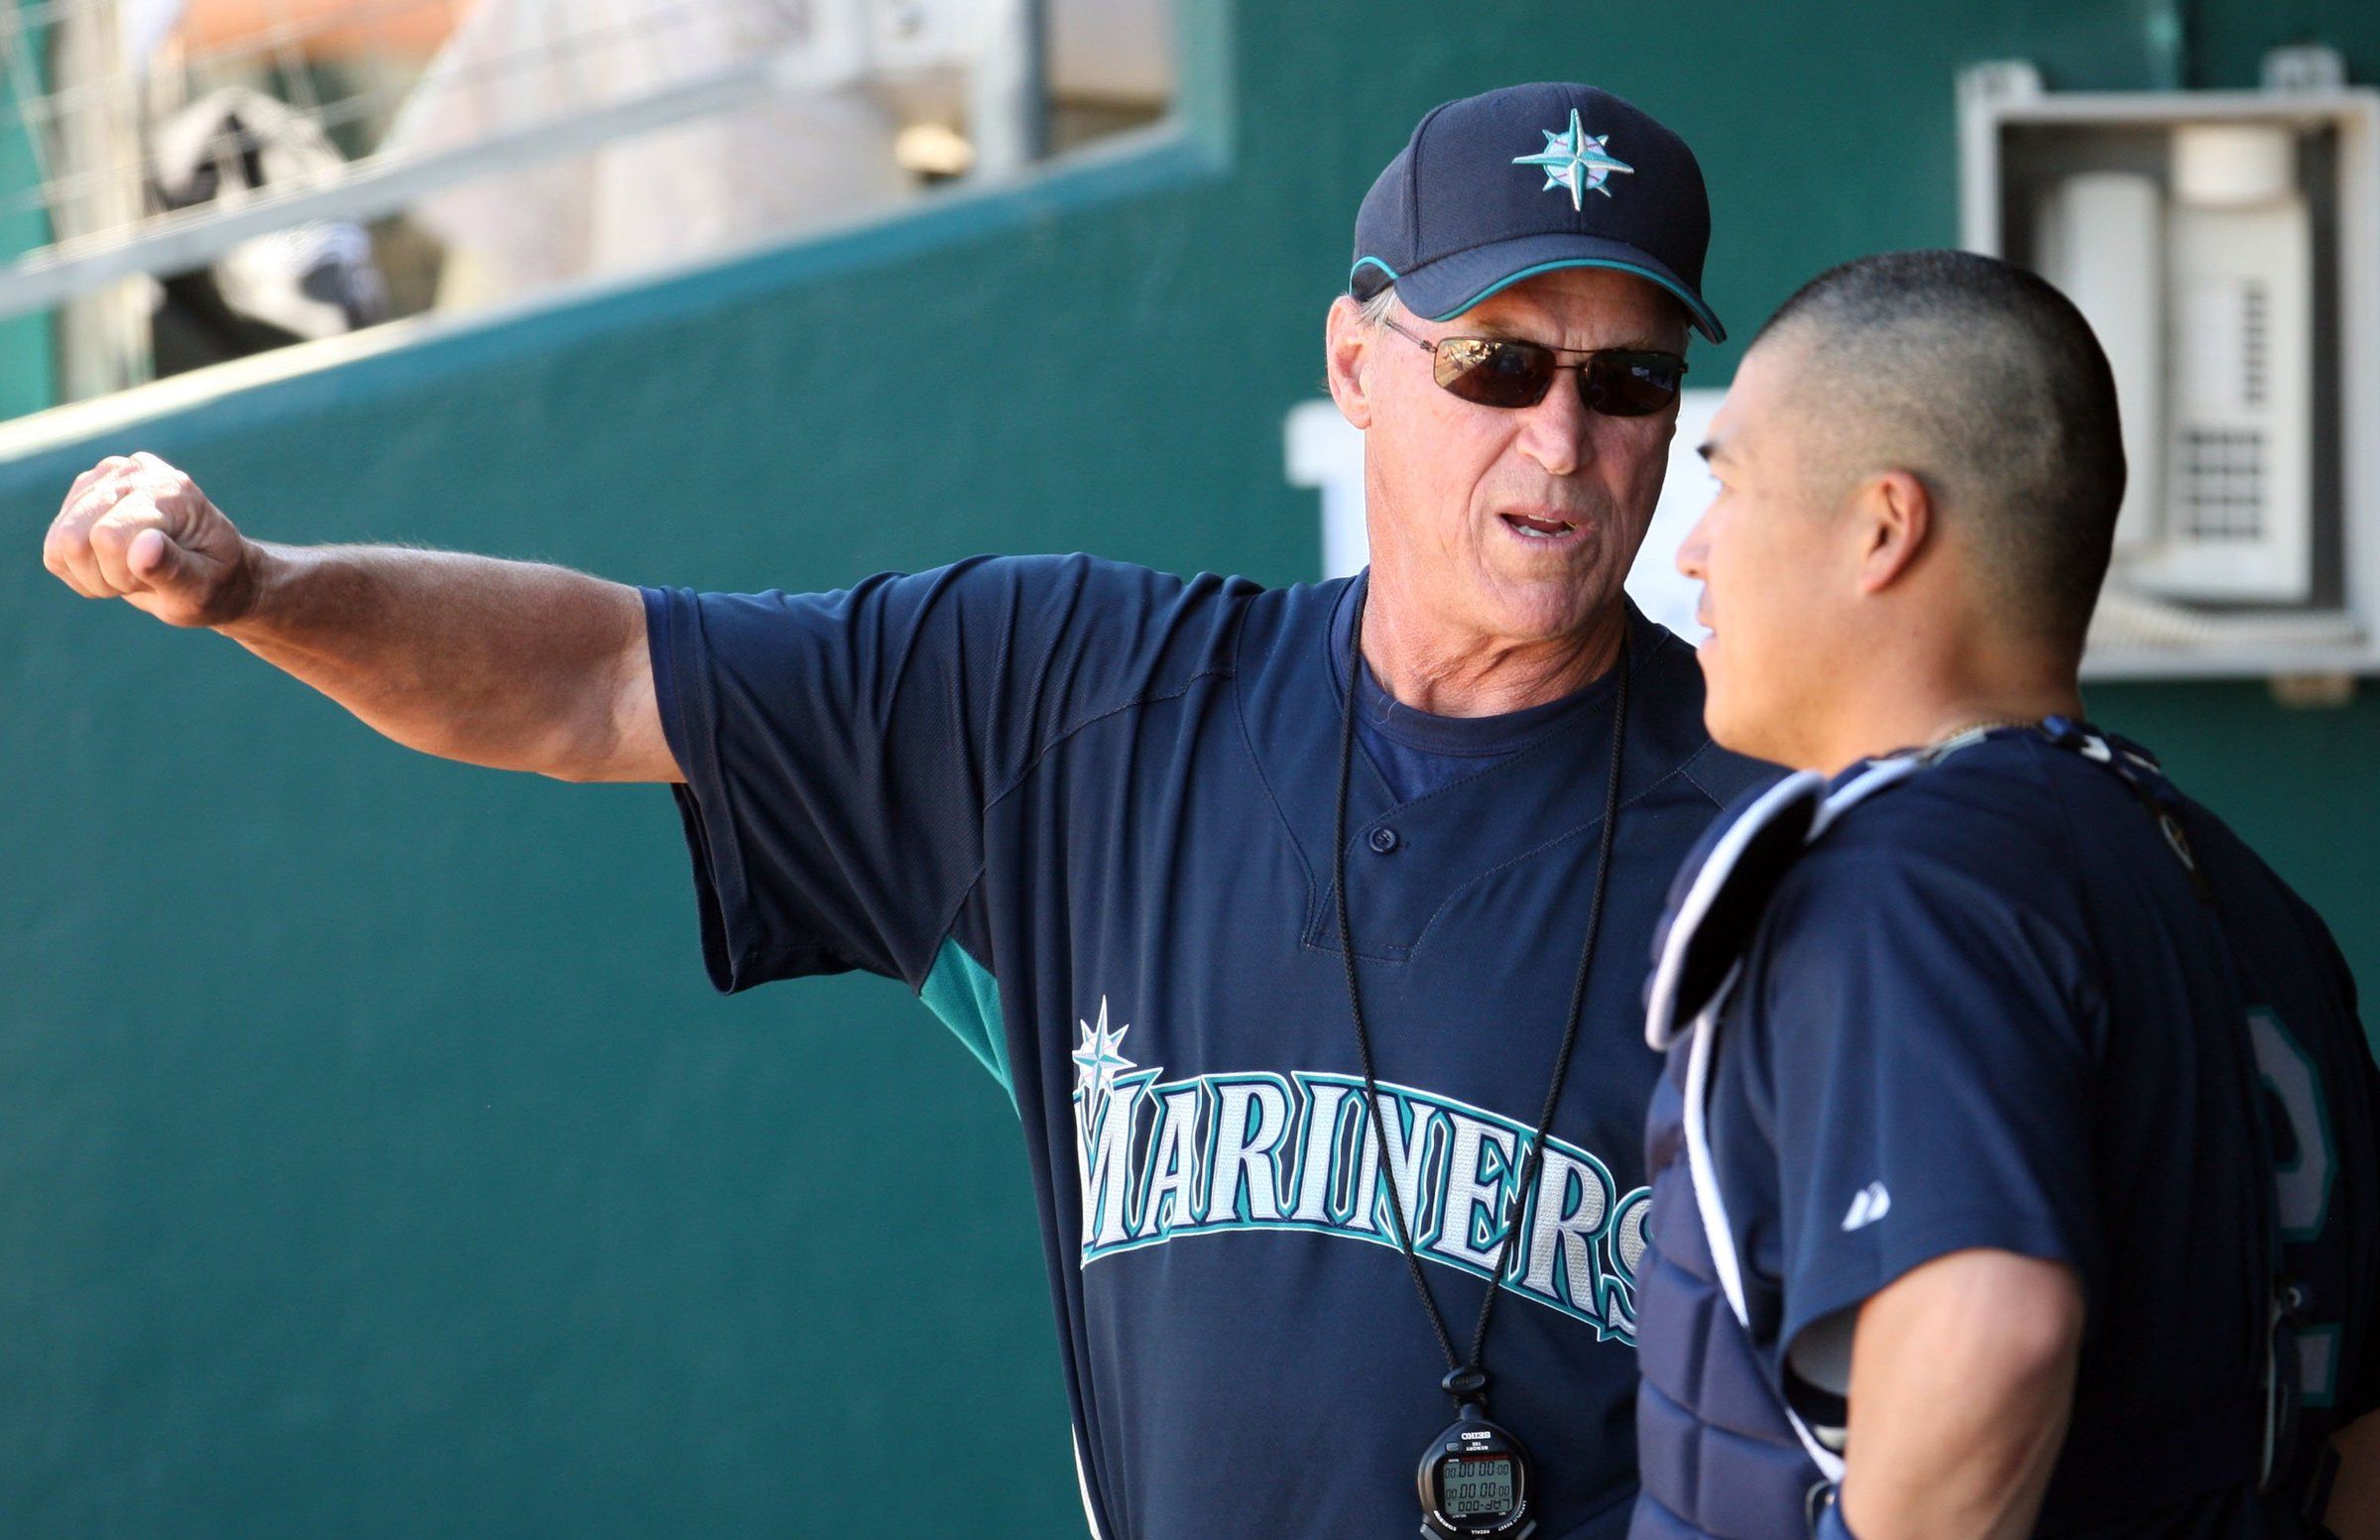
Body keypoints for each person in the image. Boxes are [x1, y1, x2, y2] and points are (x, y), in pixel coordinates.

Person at [41, 82, 1773, 1540]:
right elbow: (590, 681)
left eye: (1622, 382)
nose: (1559, 440)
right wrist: (265, 586)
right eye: (1494, 362)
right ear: (1356, 361)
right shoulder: (1073, 698)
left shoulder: (1768, 836)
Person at [1627, 249, 2380, 1540]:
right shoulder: (2255, 901)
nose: (1694, 547)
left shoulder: (1907, 877)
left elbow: (1993, 1327)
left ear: (1882, 527)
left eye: (1730, 482)